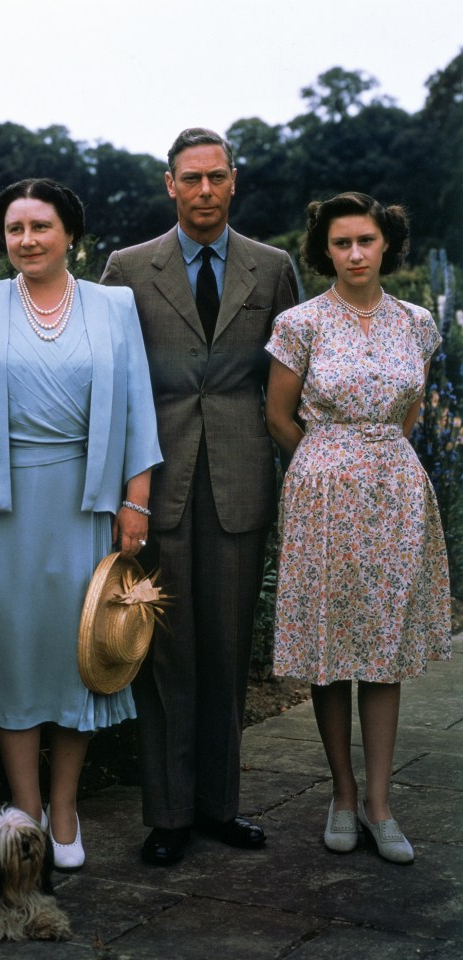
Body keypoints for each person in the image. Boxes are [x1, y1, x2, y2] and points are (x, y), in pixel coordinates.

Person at [0, 177, 162, 871]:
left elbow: (137, 408)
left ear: (71, 234)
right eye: (14, 229)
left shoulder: (113, 304)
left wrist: (136, 501)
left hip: (84, 502)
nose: (26, 240)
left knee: (78, 654)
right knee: (12, 656)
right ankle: (24, 807)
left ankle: (65, 808)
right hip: (1, 511)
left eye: (41, 227)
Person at [101, 127, 298, 866]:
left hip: (243, 482)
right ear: (170, 184)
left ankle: (221, 806)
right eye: (192, 179)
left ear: (234, 181)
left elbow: (290, 377)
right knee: (164, 650)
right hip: (158, 483)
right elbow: (117, 382)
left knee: (226, 648)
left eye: (217, 178)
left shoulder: (273, 268)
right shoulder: (127, 268)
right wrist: (125, 488)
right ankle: (169, 813)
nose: (205, 191)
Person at [265, 192, 451, 863]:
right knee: (328, 644)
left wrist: (378, 459)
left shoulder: (418, 323)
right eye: (341, 243)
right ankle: (342, 795)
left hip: (395, 491)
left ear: (384, 245)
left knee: (382, 645)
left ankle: (379, 803)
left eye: (365, 241)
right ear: (326, 250)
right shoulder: (300, 323)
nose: (354, 254)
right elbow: (279, 417)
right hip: (323, 492)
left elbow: (409, 412)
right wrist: (328, 464)